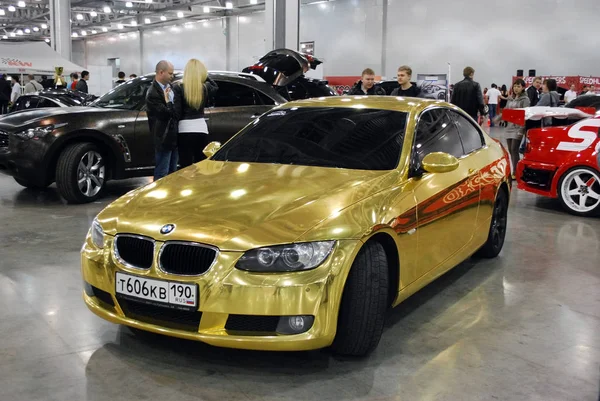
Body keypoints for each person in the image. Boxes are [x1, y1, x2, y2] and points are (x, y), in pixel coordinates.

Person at [173, 59, 219, 168]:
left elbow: (177, 112)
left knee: (185, 165)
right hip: (201, 129)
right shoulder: (205, 88)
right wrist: (204, 76)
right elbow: (215, 86)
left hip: (184, 130)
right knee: (201, 165)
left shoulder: (178, 87)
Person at [146, 60, 178, 181]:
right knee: (162, 174)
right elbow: (166, 113)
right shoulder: (153, 93)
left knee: (172, 173)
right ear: (161, 72)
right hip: (163, 137)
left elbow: (176, 113)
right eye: (170, 73)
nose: (172, 76)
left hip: (173, 136)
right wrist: (170, 103)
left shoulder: (170, 88)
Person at [498, 79, 530, 178]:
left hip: (519, 127)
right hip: (509, 127)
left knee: (514, 149)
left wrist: (523, 127)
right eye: (515, 86)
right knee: (511, 151)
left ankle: (516, 172)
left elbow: (526, 114)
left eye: (518, 86)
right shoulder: (510, 98)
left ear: (523, 87)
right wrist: (499, 118)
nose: (516, 88)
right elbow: (507, 111)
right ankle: (515, 170)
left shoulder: (525, 99)